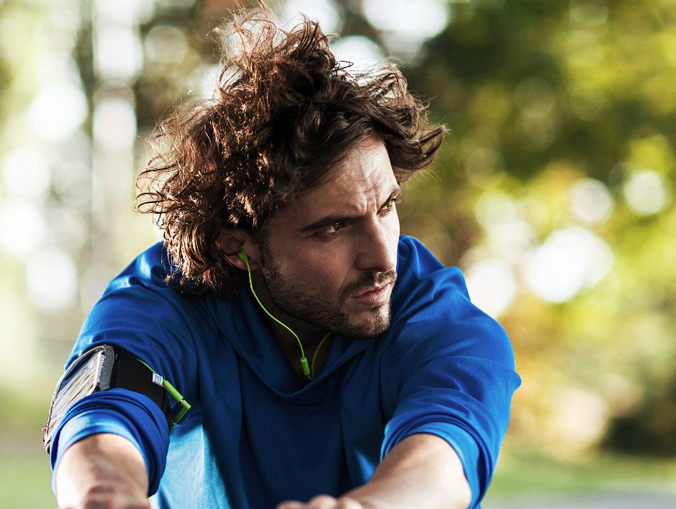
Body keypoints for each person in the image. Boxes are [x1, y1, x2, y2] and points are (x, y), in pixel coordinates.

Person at [44, 9, 520, 509]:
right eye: (333, 228)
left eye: (386, 207)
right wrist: (106, 495)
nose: (383, 257)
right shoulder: (162, 304)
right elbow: (99, 423)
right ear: (238, 245)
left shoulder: (441, 320)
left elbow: (442, 464)